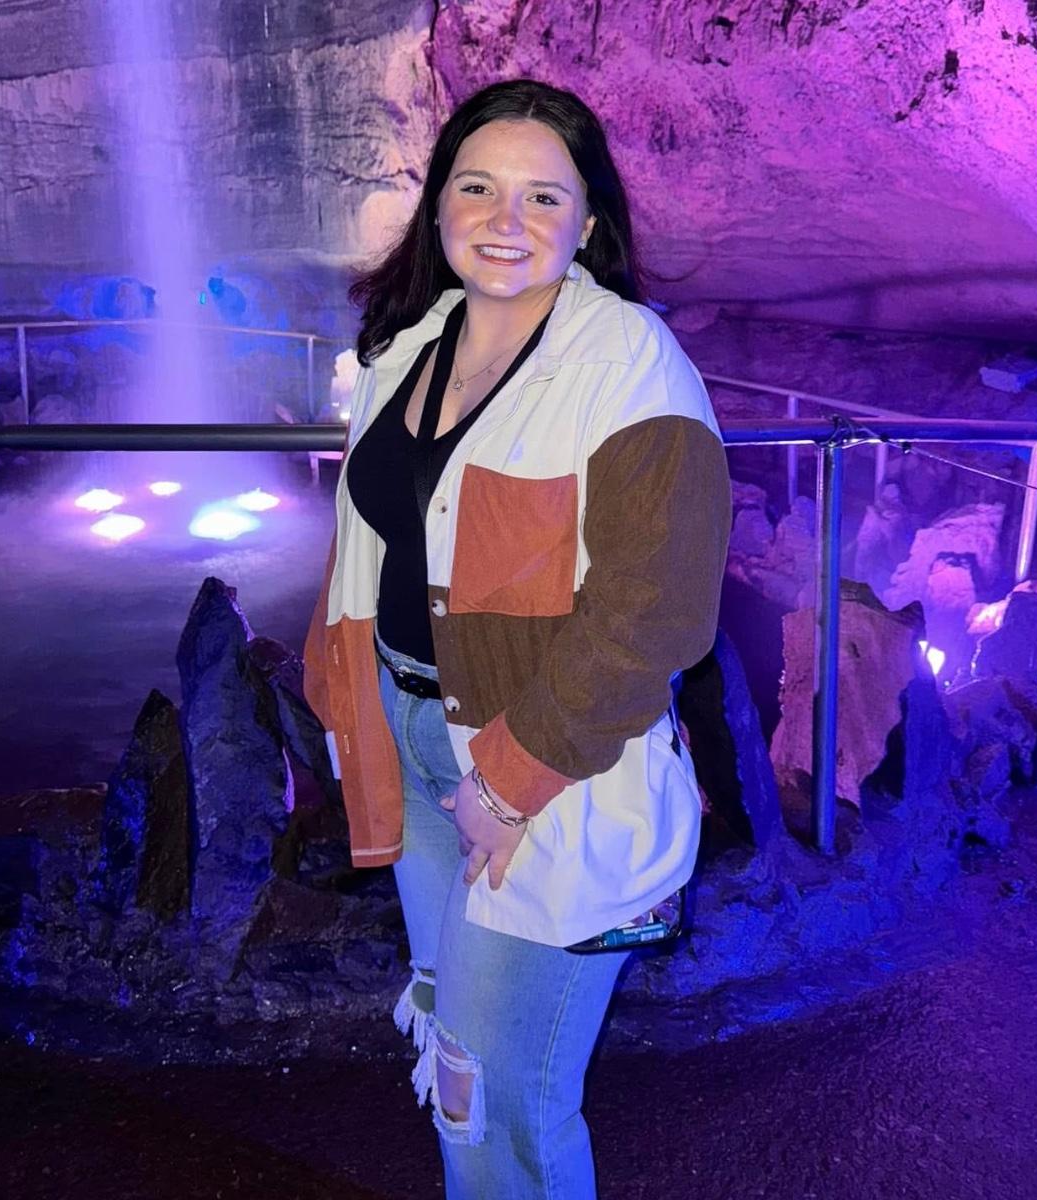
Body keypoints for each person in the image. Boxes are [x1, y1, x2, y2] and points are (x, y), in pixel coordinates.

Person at [304, 78, 731, 1199]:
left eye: (544, 196)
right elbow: (376, 547)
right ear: (439, 204)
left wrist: (510, 777)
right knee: (452, 1035)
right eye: (478, 187)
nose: (506, 219)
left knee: (493, 1095)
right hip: (412, 735)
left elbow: (657, 608)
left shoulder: (629, 363)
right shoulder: (410, 347)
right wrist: (344, 693)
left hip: (541, 772)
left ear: (588, 224)